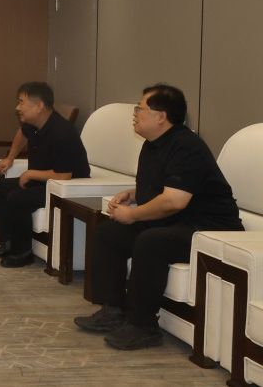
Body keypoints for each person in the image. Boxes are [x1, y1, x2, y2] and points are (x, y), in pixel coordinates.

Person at [75, 84, 243, 350]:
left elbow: (175, 200)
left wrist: (133, 214)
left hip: (209, 228)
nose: (134, 114)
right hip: (176, 221)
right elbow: (162, 188)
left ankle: (143, 326)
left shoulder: (187, 146)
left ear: (161, 116)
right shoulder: (152, 145)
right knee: (108, 233)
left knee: (151, 241)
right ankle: (113, 310)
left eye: (140, 109)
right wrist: (133, 194)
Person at [0, 82, 90, 268]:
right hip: (43, 181)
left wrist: (31, 173)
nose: (17, 108)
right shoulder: (33, 124)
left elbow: (64, 175)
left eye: (21, 102)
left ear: (39, 105)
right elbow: (22, 134)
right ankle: (7, 243)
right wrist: (10, 158)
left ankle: (22, 253)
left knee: (17, 197)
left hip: (65, 187)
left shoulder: (62, 132)